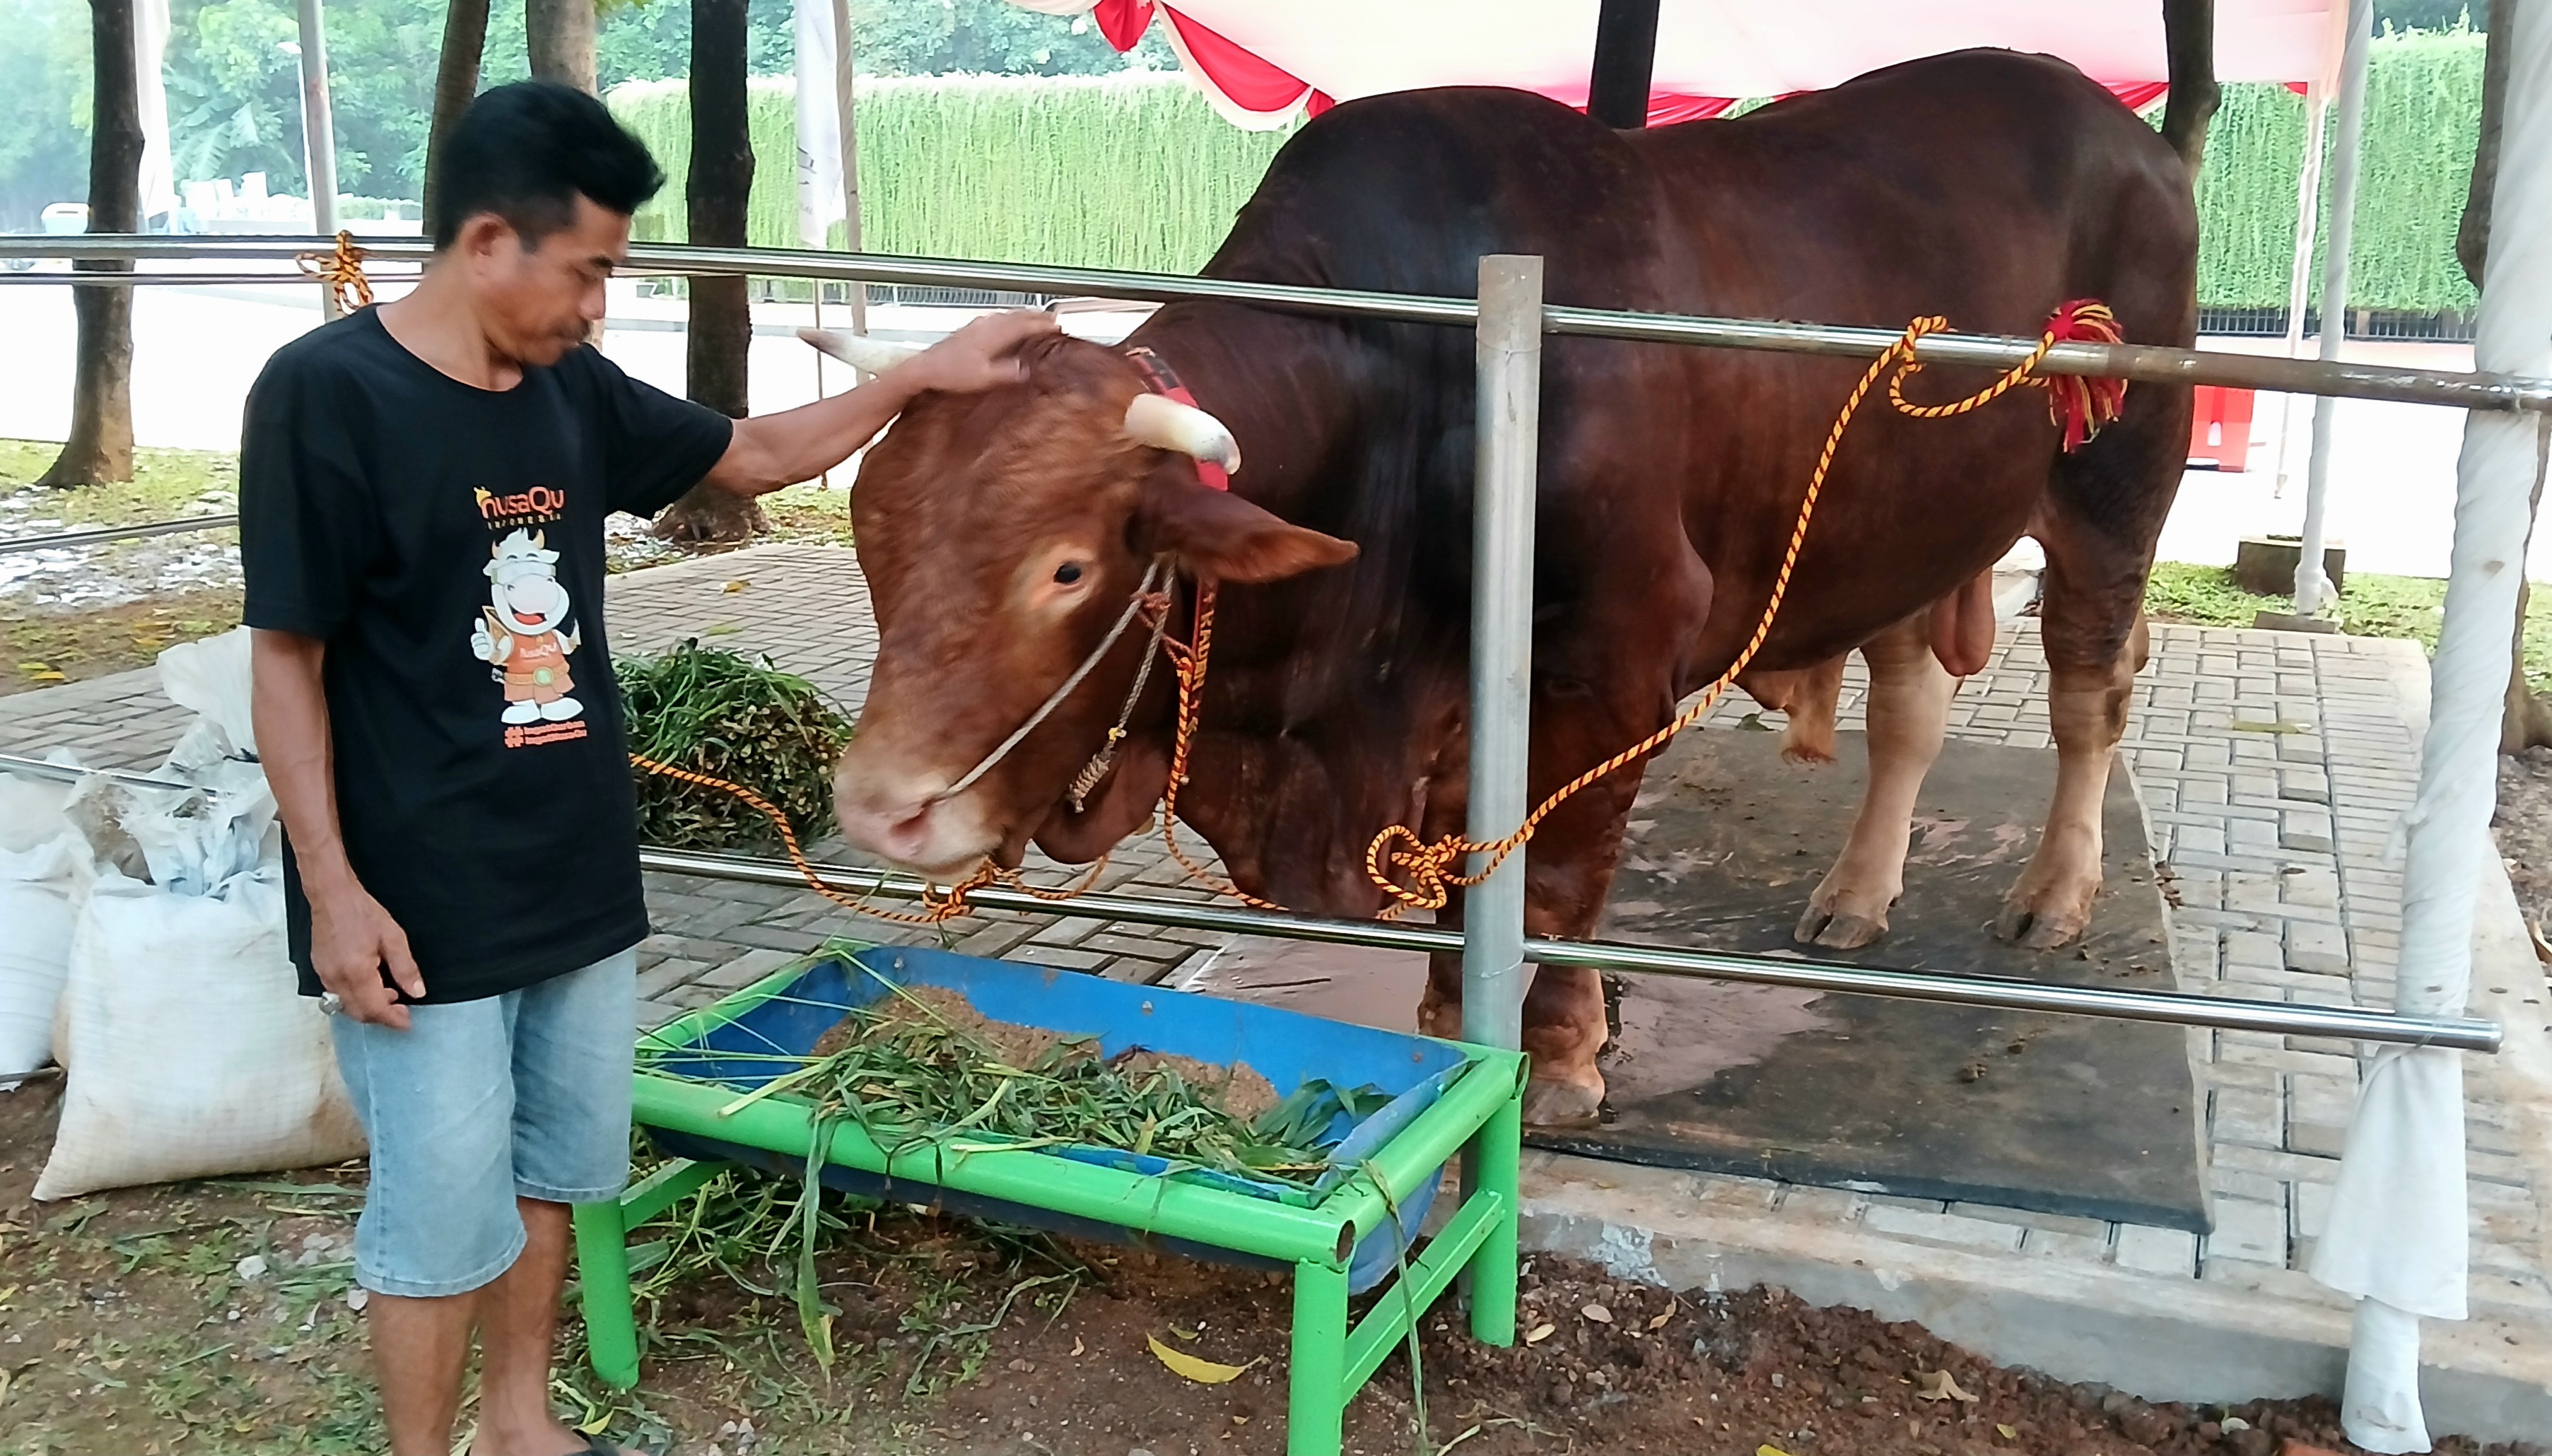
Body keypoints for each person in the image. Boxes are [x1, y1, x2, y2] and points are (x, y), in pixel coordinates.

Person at [240, 80, 1053, 1456]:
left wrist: (923, 373)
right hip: (418, 899)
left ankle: (519, 1424)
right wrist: (334, 891)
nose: (598, 304)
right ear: (488, 242)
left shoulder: (569, 388)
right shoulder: (328, 396)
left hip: (575, 875)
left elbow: (754, 454)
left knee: (554, 1176)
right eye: (587, 269)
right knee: (436, 1219)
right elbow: (286, 662)